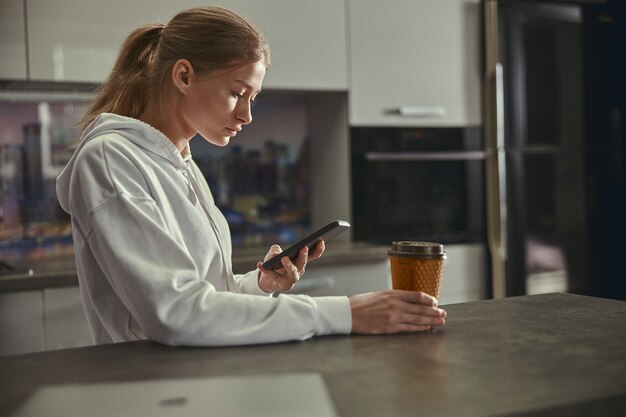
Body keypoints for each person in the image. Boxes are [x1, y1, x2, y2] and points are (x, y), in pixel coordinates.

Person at [56, 6, 446, 346]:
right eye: (236, 93)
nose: (246, 115)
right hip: (151, 394)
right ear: (184, 76)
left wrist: (259, 286)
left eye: (253, 98)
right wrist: (345, 314)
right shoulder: (110, 159)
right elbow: (175, 314)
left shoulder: (181, 163)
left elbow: (208, 294)